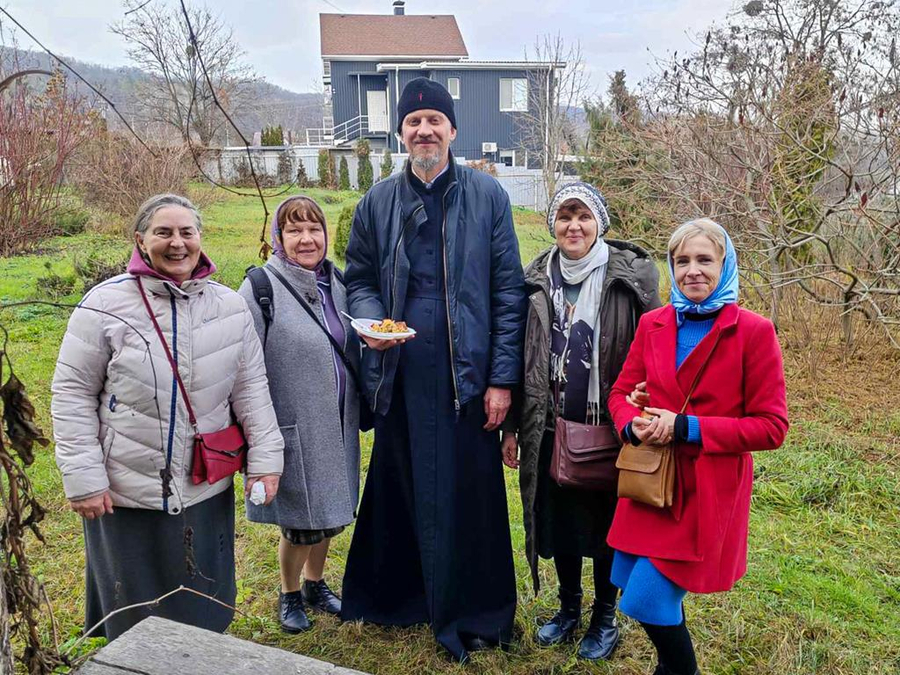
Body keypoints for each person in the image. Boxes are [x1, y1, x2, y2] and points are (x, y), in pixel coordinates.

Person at [340, 77, 527, 663]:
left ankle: (473, 608)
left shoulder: (487, 196)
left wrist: (501, 380)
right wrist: (372, 323)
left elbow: (507, 293)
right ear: (400, 133)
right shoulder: (377, 201)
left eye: (434, 120)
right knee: (405, 479)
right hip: (401, 367)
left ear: (452, 130)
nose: (424, 130)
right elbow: (361, 277)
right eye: (413, 121)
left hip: (465, 372)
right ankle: (402, 597)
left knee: (467, 491)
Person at [51, 193, 284, 641]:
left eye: (186, 232)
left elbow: (252, 390)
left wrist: (267, 460)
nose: (177, 243)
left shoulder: (229, 307)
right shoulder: (104, 305)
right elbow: (72, 392)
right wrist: (84, 477)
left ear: (200, 238)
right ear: (140, 240)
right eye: (163, 232)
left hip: (204, 486)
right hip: (125, 489)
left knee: (203, 606)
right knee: (133, 613)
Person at [606, 218, 789, 675]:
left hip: (706, 491)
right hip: (653, 482)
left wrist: (687, 427)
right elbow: (619, 393)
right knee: (644, 594)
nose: (693, 271)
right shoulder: (654, 323)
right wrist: (633, 425)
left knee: (648, 599)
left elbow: (772, 427)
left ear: (725, 265)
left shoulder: (753, 331)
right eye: (682, 261)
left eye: (705, 259)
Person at [501, 182, 661, 660]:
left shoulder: (630, 278)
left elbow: (655, 345)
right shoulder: (533, 279)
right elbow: (517, 355)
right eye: (565, 215)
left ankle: (604, 618)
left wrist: (648, 399)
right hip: (548, 424)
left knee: (607, 526)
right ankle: (568, 609)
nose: (574, 225)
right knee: (560, 524)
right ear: (552, 224)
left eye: (583, 216)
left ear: (599, 224)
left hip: (610, 425)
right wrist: (512, 426)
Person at [238, 195, 361, 634]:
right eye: (295, 230)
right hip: (292, 425)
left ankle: (315, 583)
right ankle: (288, 592)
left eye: (314, 229)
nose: (307, 238)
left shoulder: (339, 283)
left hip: (338, 425)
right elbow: (242, 365)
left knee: (329, 510)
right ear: (279, 238)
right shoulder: (260, 289)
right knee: (299, 523)